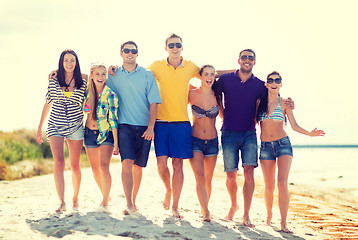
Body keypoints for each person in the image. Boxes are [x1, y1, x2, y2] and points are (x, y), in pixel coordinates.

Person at [214, 49, 294, 226]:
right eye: (244, 57)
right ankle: (234, 205)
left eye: (251, 58)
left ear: (255, 61)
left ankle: (246, 214)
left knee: (249, 172)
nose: (247, 60)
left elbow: (273, 98)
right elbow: (211, 77)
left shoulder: (259, 85)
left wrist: (289, 103)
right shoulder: (226, 80)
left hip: (250, 134)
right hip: (228, 132)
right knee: (230, 176)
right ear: (239, 60)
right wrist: (221, 110)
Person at [257, 71, 325, 233]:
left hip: (283, 145)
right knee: (268, 186)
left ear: (281, 84)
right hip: (265, 146)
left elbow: (294, 125)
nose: (274, 83)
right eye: (271, 80)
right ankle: (269, 215)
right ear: (266, 84)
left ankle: (283, 223)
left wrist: (309, 133)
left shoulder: (285, 103)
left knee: (282, 182)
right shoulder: (259, 102)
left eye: (277, 80)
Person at [147, 33, 202, 218]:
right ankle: (168, 190)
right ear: (166, 48)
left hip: (181, 123)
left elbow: (211, 74)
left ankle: (175, 206)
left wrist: (235, 72)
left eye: (178, 44)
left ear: (182, 47)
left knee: (178, 164)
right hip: (161, 123)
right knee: (161, 164)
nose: (175, 47)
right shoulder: (156, 66)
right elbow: (138, 76)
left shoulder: (190, 67)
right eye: (171, 45)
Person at [106, 41, 161, 214]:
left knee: (138, 166)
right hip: (124, 126)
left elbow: (154, 102)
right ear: (121, 52)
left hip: (144, 127)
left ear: (138, 53)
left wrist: (151, 127)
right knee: (127, 162)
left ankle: (134, 200)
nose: (130, 53)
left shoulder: (147, 74)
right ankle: (128, 203)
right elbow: (96, 78)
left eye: (133, 50)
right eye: (127, 50)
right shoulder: (114, 75)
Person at [37, 49, 87, 213]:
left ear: (76, 62)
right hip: (55, 125)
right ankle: (62, 202)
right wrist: (39, 127)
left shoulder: (83, 82)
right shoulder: (53, 81)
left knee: (75, 165)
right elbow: (47, 103)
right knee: (59, 163)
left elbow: (94, 78)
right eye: (66, 60)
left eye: (72, 60)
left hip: (75, 125)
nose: (69, 63)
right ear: (61, 62)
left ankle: (75, 198)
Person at [83, 63, 119, 212]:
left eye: (103, 74)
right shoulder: (85, 92)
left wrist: (116, 142)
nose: (100, 77)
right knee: (95, 169)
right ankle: (106, 194)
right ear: (91, 75)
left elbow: (114, 120)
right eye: (97, 74)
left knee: (104, 166)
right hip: (89, 133)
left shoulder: (111, 94)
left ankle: (104, 201)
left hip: (106, 134)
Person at [188, 65, 221, 222]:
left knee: (208, 178)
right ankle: (206, 211)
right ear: (199, 76)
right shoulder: (192, 93)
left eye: (212, 75)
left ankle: (204, 206)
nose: (209, 77)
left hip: (213, 142)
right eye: (206, 74)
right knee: (200, 177)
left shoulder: (217, 95)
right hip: (195, 141)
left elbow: (226, 116)